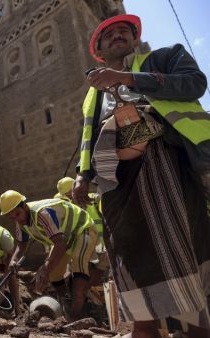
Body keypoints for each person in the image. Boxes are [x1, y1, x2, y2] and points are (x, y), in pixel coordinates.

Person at [72, 14, 210, 337]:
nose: (118, 35)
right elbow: (87, 137)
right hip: (119, 187)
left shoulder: (164, 57)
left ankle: (193, 324)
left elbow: (195, 83)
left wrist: (129, 79)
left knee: (184, 249)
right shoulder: (92, 96)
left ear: (135, 39)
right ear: (99, 52)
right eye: (109, 35)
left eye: (124, 31)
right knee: (131, 260)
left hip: (169, 167)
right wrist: (82, 175)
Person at [0, 190, 96, 320]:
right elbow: (22, 244)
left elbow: (59, 244)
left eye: (18, 214)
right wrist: (14, 260)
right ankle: (67, 304)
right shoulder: (20, 222)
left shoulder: (42, 214)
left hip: (82, 228)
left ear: (24, 206)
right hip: (65, 239)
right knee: (55, 274)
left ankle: (76, 315)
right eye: (13, 218)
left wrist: (45, 268)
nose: (18, 219)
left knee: (79, 265)